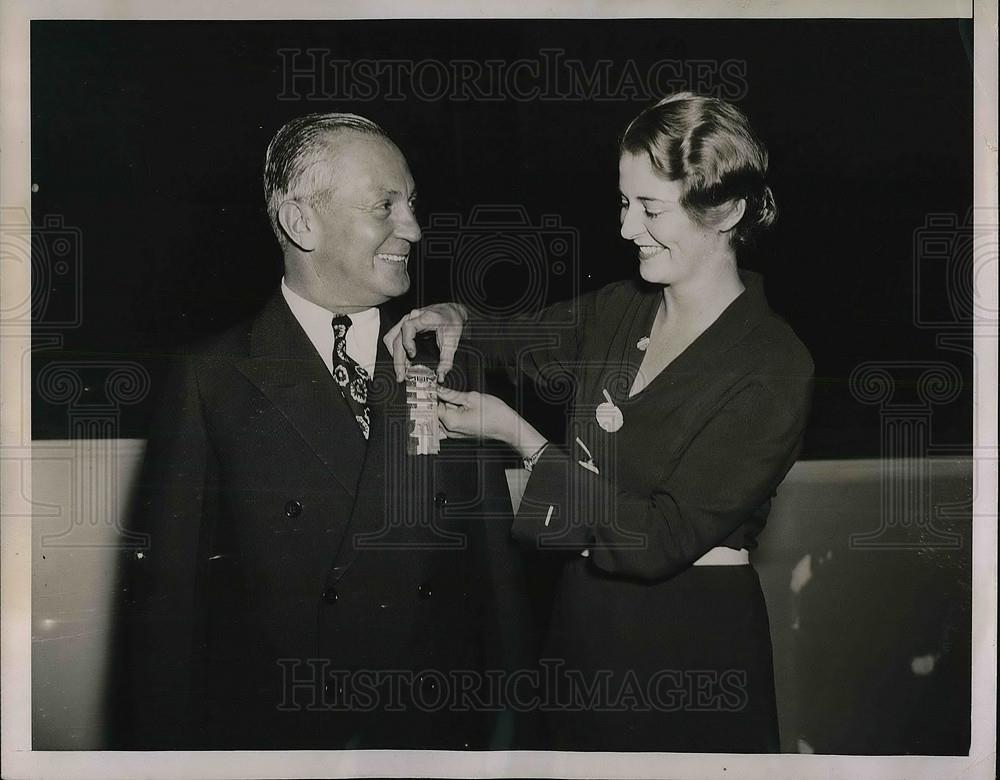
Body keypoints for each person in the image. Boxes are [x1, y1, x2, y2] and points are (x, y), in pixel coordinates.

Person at [387, 93, 814, 752]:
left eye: (650, 208)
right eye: (623, 202)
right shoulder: (621, 309)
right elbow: (517, 339)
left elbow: (659, 537)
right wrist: (455, 318)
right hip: (582, 627)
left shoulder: (773, 364)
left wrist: (524, 443)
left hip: (688, 647)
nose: (626, 229)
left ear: (725, 209)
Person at [116, 113, 502, 750]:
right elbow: (170, 612)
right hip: (279, 735)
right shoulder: (211, 378)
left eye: (412, 203)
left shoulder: (450, 359)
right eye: (385, 206)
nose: (413, 228)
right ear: (301, 222)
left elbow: (496, 591)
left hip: (434, 734)